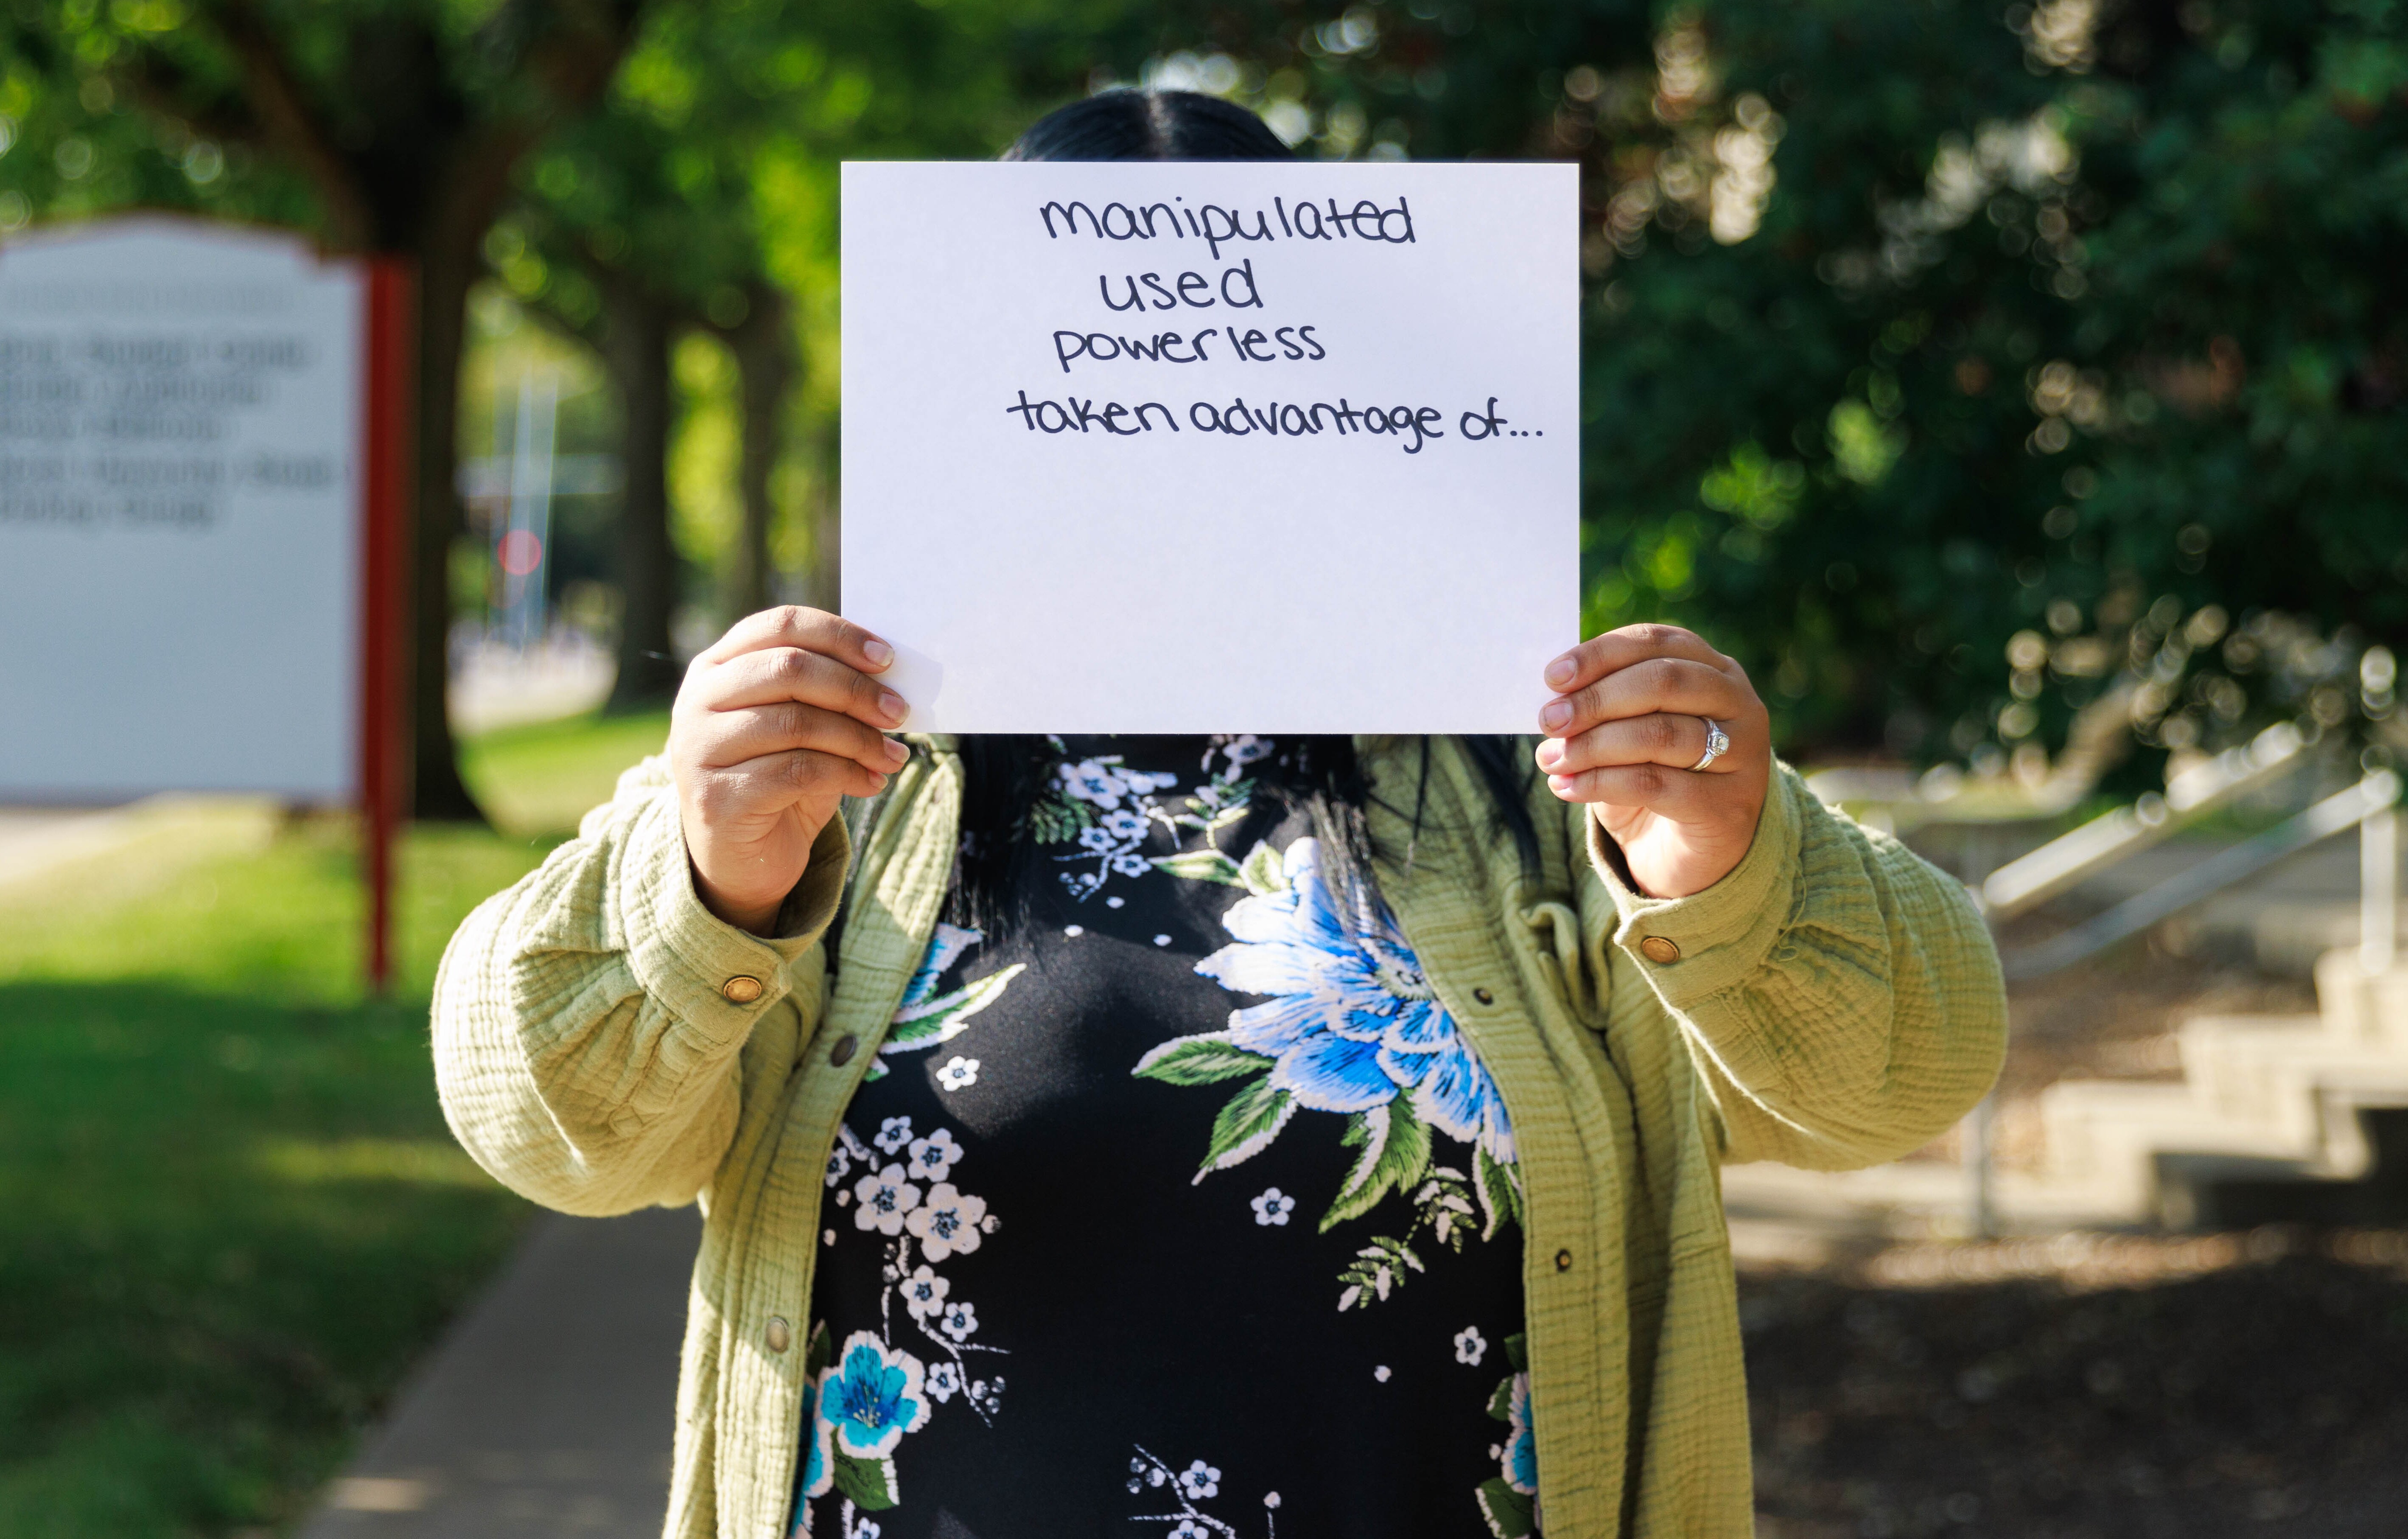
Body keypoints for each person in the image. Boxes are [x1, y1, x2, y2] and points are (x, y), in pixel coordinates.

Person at [433, 89, 2005, 1539]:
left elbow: (1902, 1080)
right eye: (1092, 379)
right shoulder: (836, 774)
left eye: (1244, 385)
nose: (1164, 438)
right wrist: (709, 878)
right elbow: (543, 1128)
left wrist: (1720, 866)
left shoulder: (1527, 772)